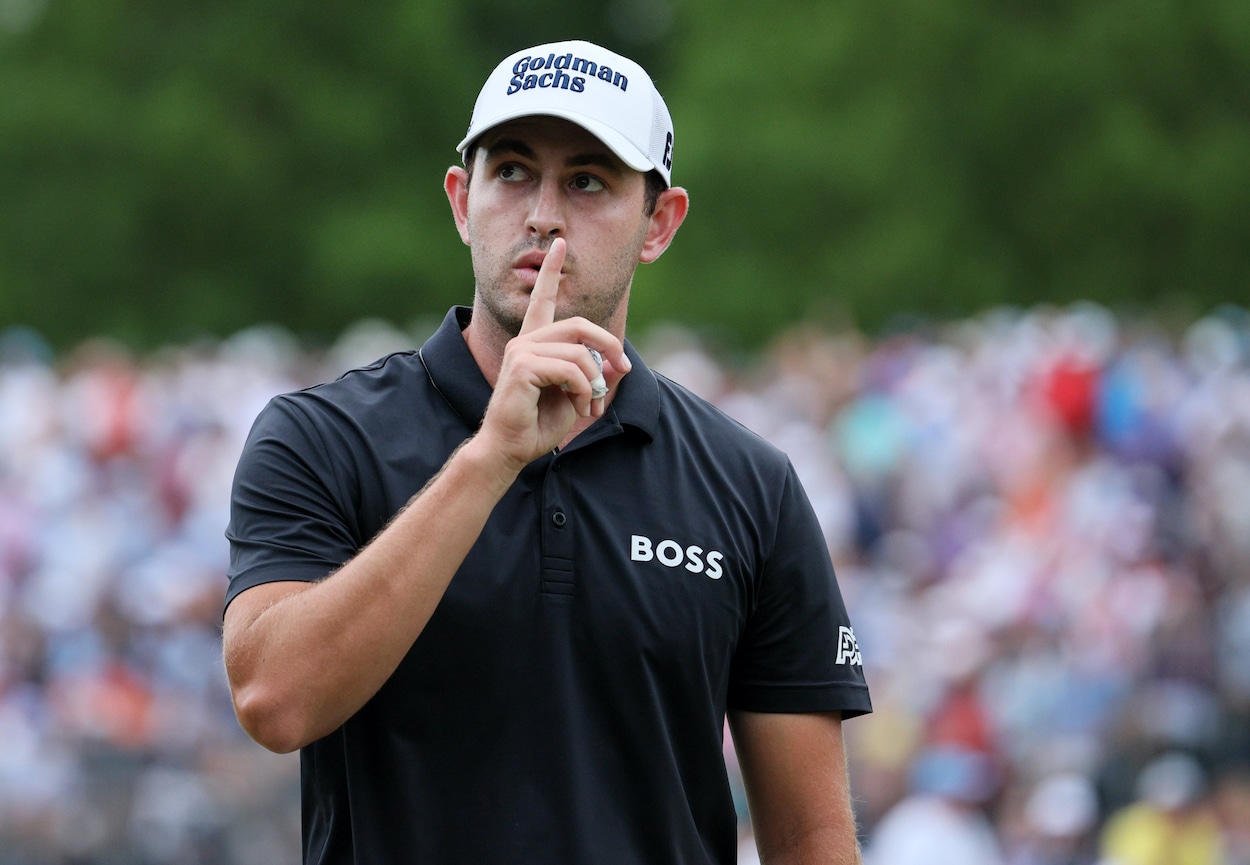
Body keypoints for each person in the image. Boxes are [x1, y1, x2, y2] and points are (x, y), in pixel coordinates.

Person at [222, 39, 872, 865]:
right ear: (463, 201)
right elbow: (274, 700)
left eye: (589, 181)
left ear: (658, 224)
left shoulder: (750, 485)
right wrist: (492, 456)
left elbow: (812, 839)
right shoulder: (323, 436)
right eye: (513, 172)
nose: (542, 214)